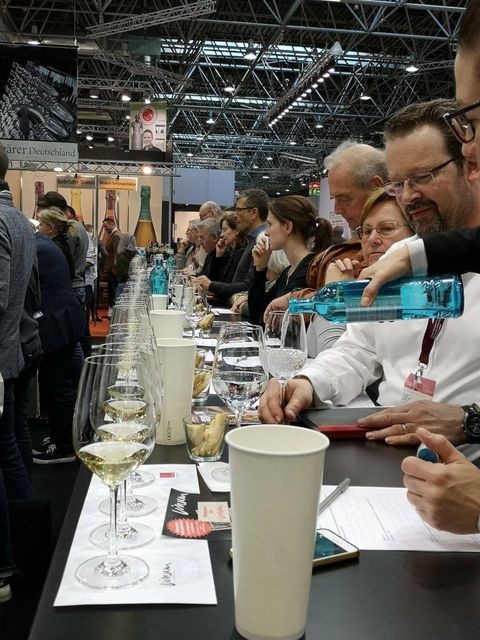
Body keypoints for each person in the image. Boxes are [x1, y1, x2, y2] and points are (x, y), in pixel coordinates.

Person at [258, 98, 480, 425]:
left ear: (470, 165)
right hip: (383, 440)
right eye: (398, 184)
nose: (407, 196)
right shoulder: (398, 258)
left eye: (422, 176)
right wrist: (309, 382)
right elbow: (359, 349)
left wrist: (468, 421)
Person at [262, 142, 387, 319]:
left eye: (344, 198)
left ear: (376, 186)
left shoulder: (396, 246)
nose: (337, 209)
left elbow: (357, 305)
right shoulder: (337, 254)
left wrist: (301, 298)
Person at [307, 188, 414, 358]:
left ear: (415, 235)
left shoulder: (416, 293)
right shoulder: (364, 283)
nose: (372, 239)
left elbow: (336, 358)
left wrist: (334, 300)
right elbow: (312, 351)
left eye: (386, 228)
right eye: (366, 231)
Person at [0, 143, 36, 599]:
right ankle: (21, 551)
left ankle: (7, 563)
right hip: (8, 350)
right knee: (7, 448)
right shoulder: (18, 220)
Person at [248, 196, 333, 325]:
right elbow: (257, 314)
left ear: (287, 227)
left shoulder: (308, 270)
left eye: (270, 224)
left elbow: (269, 321)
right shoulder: (289, 271)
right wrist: (260, 268)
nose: (266, 233)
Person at [191, 214, 247, 304]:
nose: (221, 235)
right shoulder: (230, 252)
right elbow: (218, 281)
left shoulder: (241, 253)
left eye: (225, 230)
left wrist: (211, 286)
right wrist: (218, 257)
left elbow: (229, 286)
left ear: (236, 231)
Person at [37, 207, 75, 281]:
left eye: (41, 224)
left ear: (50, 228)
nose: (38, 228)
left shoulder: (51, 248)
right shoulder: (62, 243)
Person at [102, 216, 121, 314]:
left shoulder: (116, 236)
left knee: (113, 291)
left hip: (114, 270)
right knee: (111, 290)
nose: (105, 229)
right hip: (111, 269)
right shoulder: (113, 235)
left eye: (106, 227)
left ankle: (114, 312)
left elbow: (117, 254)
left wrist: (115, 269)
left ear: (111, 224)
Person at [114, 234, 138, 300]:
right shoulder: (137, 254)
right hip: (135, 285)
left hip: (123, 285)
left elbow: (121, 272)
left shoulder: (120, 255)